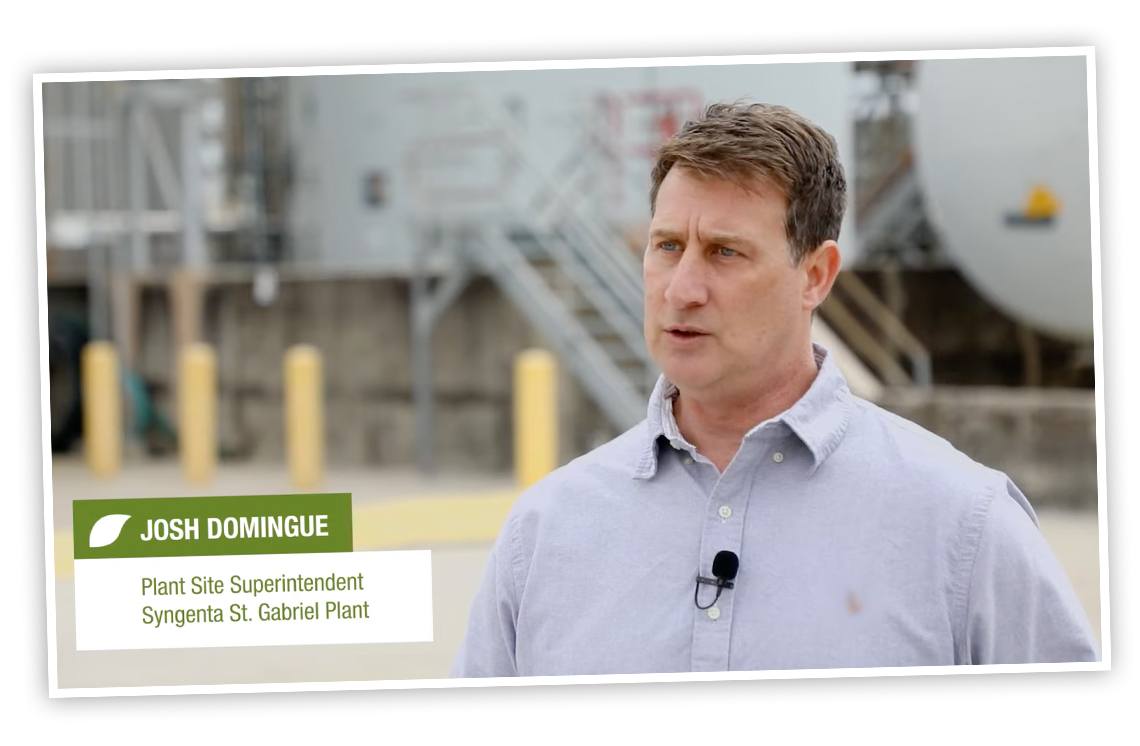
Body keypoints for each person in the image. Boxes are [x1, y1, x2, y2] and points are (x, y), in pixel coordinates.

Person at [452, 102, 1099, 676]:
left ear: (815, 275)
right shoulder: (544, 533)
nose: (681, 289)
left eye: (725, 252)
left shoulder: (965, 526)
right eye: (667, 246)